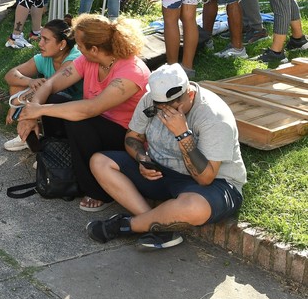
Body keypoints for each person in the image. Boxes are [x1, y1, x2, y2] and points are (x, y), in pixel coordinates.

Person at [87, 64, 246, 250]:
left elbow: (205, 178)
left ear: (190, 95)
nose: (164, 113)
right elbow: (132, 137)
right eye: (160, 107)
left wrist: (183, 135)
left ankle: (125, 225)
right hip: (162, 171)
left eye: (172, 108)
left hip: (214, 183)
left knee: (194, 207)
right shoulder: (151, 100)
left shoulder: (214, 116)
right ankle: (158, 227)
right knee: (100, 162)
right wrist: (142, 159)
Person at [17, 14, 150, 211]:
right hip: (95, 124)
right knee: (55, 100)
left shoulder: (131, 71)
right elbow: (52, 83)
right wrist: (33, 112)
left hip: (127, 137)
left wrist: (39, 110)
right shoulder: (89, 60)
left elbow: (91, 108)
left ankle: (98, 191)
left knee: (77, 120)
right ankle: (60, 165)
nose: (76, 47)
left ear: (94, 49)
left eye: (79, 44)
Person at [2, 18, 82, 152]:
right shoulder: (45, 57)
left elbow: (51, 86)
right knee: (17, 84)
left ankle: (54, 149)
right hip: (54, 106)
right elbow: (10, 75)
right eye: (40, 39)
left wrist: (18, 102)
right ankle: (28, 138)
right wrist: (30, 81)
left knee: (53, 97)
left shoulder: (74, 59)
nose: (40, 44)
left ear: (62, 44)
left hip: (76, 111)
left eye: (46, 40)